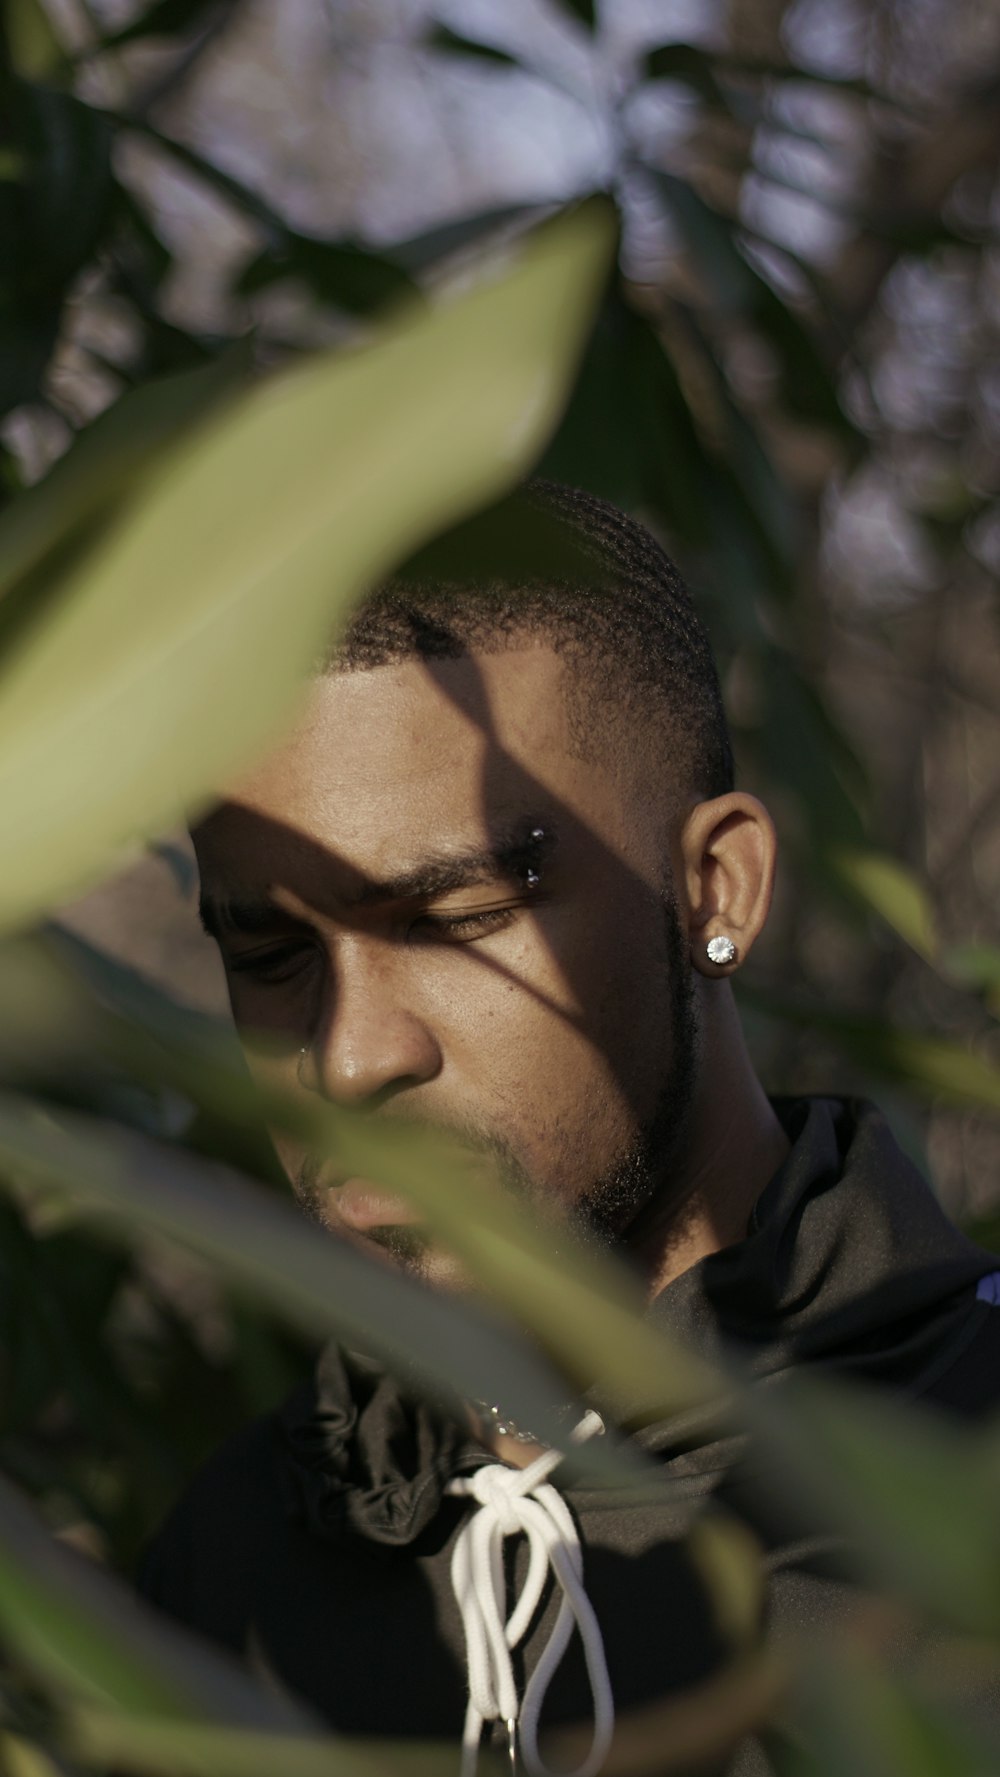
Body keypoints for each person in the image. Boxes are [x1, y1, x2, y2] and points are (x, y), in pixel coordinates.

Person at [140, 482, 1000, 1776]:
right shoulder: (233, 1574)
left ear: (713, 889)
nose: (354, 1054)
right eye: (269, 954)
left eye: (453, 915)